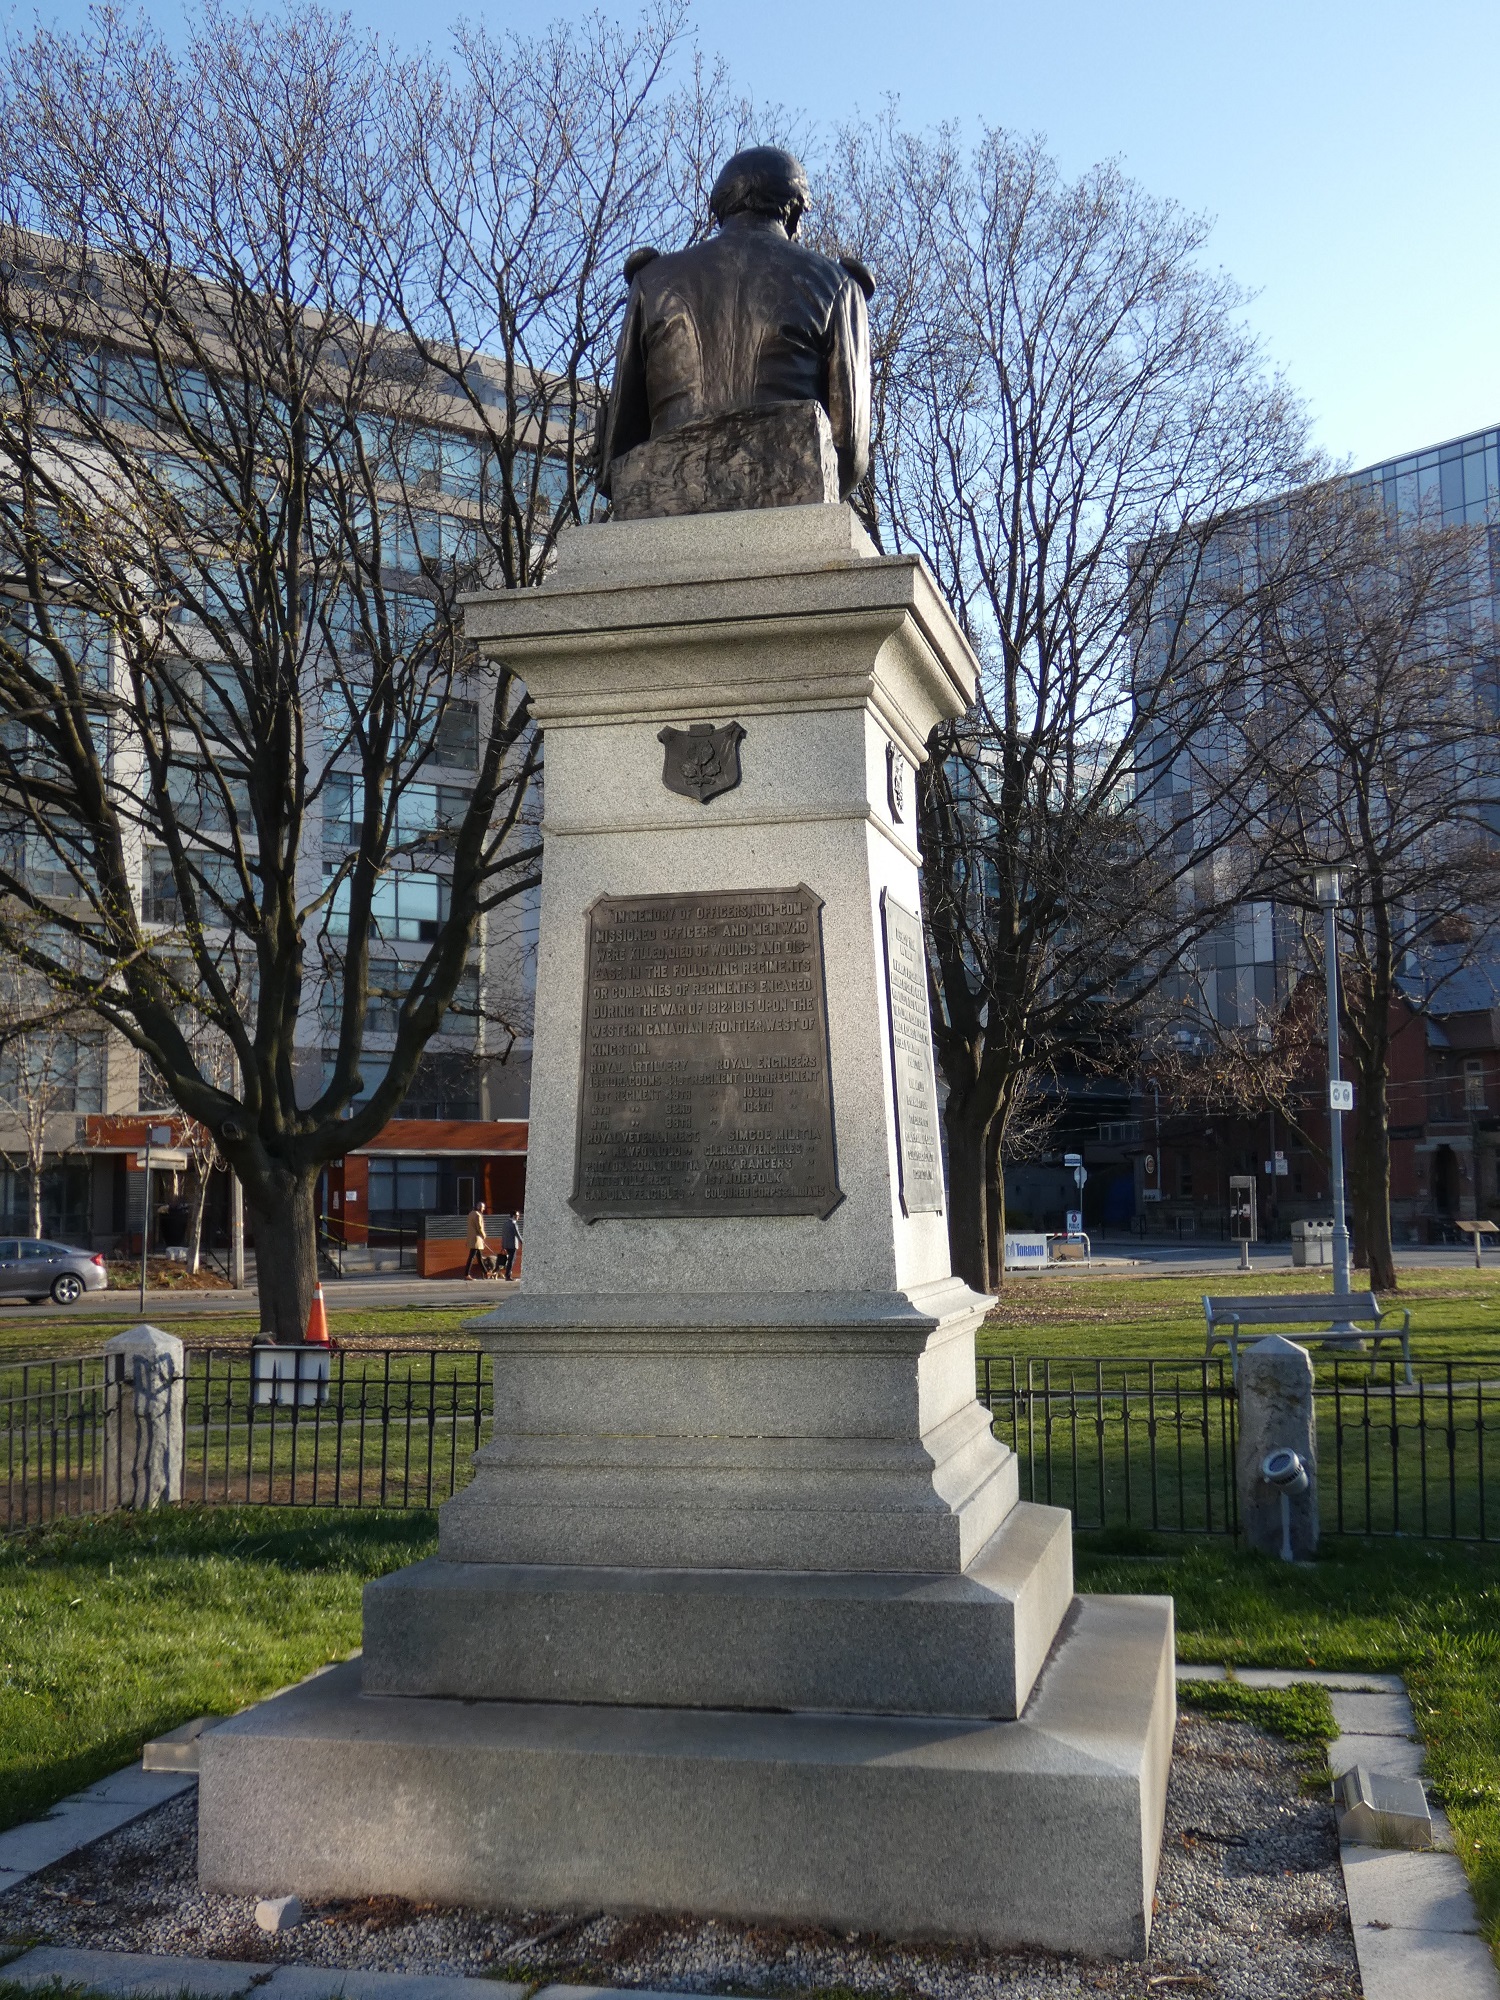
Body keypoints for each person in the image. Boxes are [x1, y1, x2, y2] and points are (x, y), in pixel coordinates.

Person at [595, 146, 873, 509]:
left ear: (721, 209)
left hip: (667, 490)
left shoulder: (651, 280)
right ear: (793, 212)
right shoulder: (837, 285)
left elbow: (618, 445)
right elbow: (849, 448)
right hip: (788, 484)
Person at [492, 1210, 522, 1280]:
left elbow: (503, 1235)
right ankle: (508, 1275)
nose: (518, 1217)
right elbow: (518, 1235)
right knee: (511, 1261)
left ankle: (506, 1274)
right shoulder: (514, 1224)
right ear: (514, 1216)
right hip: (513, 1245)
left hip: (506, 1245)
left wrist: (503, 1245)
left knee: (508, 1261)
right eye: (517, 1216)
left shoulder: (505, 1224)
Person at [464, 1200, 489, 1280]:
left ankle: (486, 1272)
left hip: (472, 1238)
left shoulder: (471, 1214)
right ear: (479, 1207)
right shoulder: (478, 1215)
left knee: (479, 1257)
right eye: (483, 1207)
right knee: (472, 1257)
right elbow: (479, 1228)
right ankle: (467, 1274)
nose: (483, 1209)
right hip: (477, 1239)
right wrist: (484, 1235)